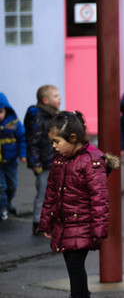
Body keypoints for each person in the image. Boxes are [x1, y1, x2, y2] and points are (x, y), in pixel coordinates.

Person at [39, 111, 112, 298]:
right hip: (65, 224)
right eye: (52, 142)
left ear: (72, 138)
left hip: (84, 224)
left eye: (57, 142)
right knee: (72, 264)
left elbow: (99, 199)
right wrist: (47, 222)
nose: (54, 146)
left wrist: (99, 229)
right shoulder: (59, 160)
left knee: (74, 263)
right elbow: (51, 194)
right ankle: (80, 294)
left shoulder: (91, 161)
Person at [24, 84, 61, 235]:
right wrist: (35, 163)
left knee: (56, 193)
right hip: (43, 164)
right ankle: (38, 222)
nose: (60, 98)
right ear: (45, 100)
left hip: (54, 161)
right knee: (43, 193)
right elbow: (32, 141)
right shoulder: (38, 117)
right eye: (56, 96)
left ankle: (52, 221)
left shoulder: (52, 115)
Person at [0, 92, 26, 221]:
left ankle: (8, 203)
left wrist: (22, 154)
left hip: (10, 162)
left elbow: (22, 139)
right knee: (1, 186)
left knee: (12, 186)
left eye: (0, 112)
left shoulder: (14, 123)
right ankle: (2, 208)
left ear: (6, 111)